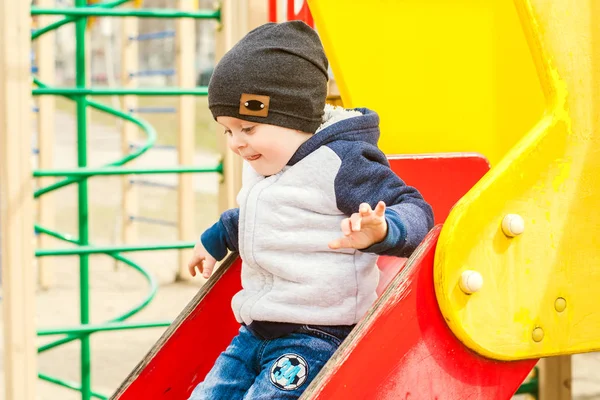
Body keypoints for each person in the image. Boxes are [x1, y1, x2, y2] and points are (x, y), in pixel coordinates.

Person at [187, 20, 434, 400]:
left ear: (295, 118)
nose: (236, 143)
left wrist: (383, 231)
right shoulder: (263, 163)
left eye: (247, 128)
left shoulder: (341, 162)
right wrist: (214, 239)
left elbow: (417, 210)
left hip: (315, 335)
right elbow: (261, 221)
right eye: (227, 131)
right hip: (255, 330)